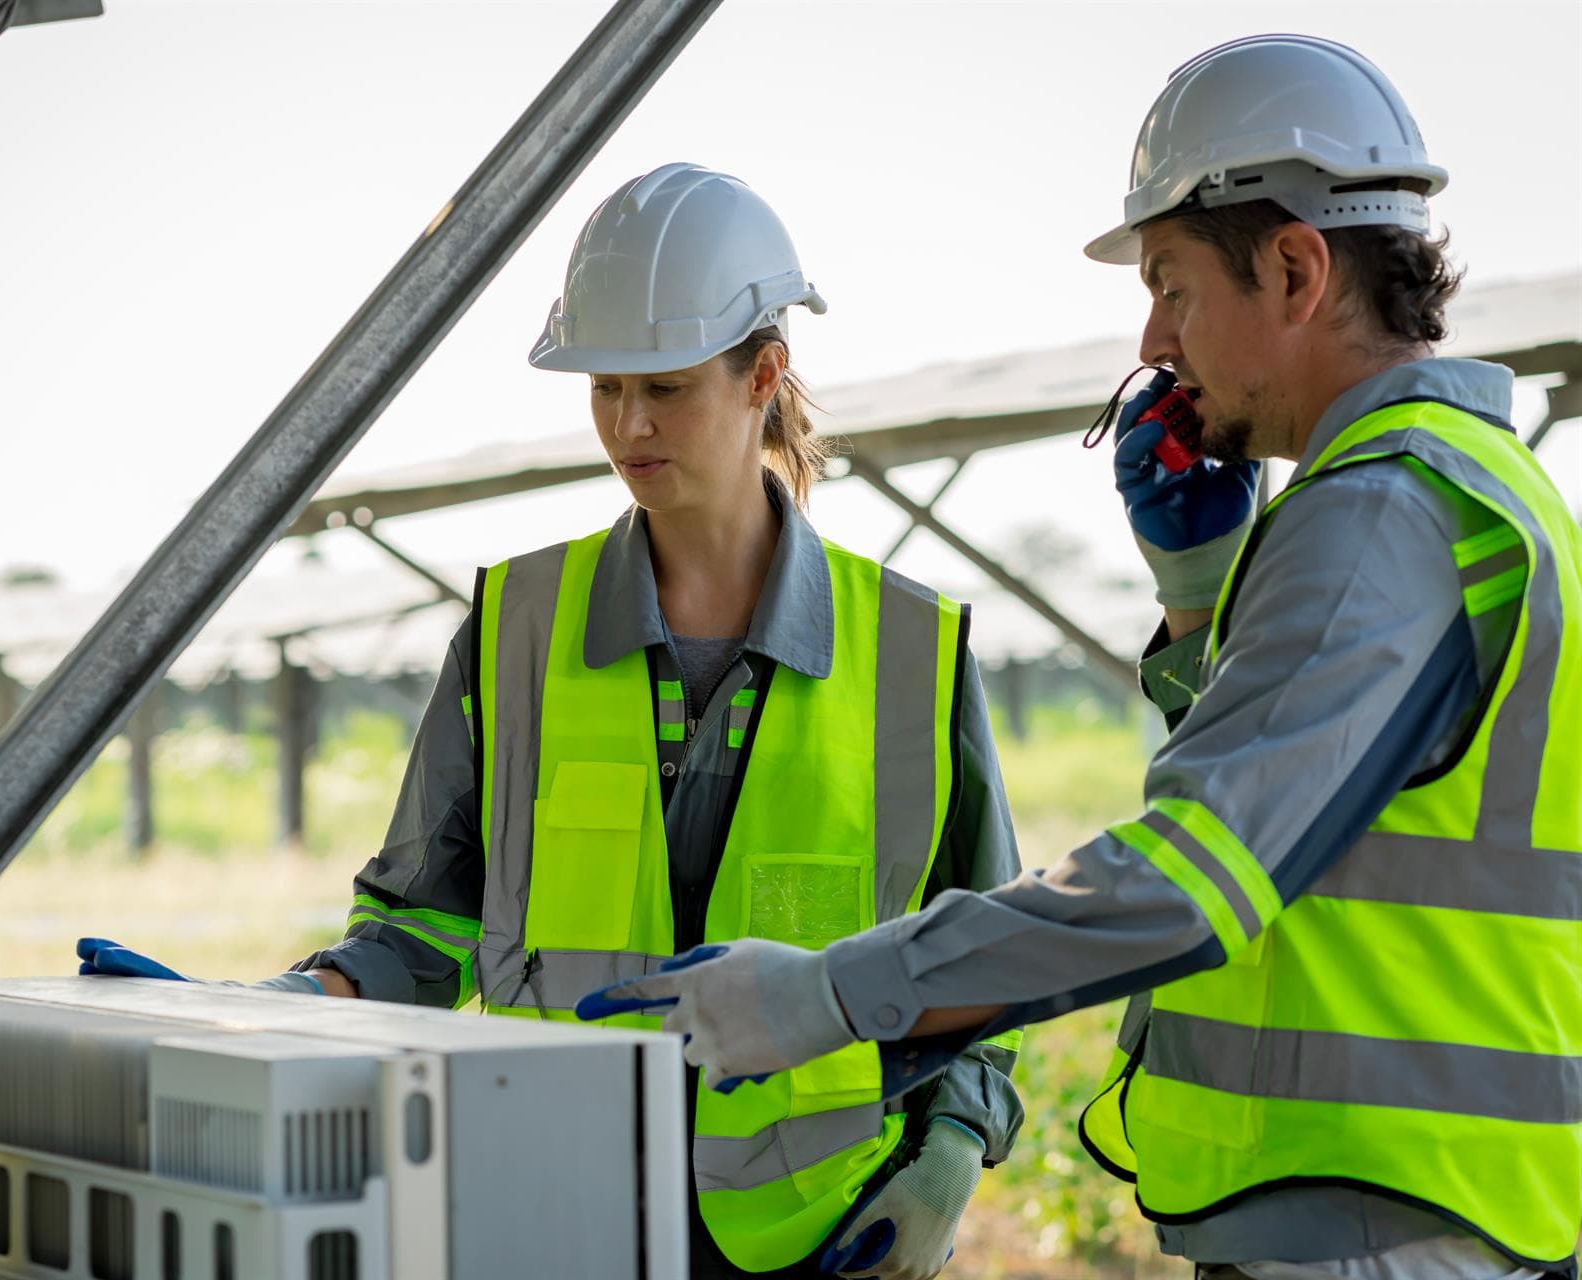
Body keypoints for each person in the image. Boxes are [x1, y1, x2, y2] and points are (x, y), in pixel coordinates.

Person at [583, 39, 1582, 1280]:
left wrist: (828, 996)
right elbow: (1332, 820)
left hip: (1379, 1217)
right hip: (1410, 1201)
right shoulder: (1472, 487)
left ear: (1293, 267)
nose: (1154, 337)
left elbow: (1191, 876)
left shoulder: (1380, 508)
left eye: (1171, 283)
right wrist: (1206, 596)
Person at [79, 163, 1026, 1279]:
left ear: (763, 373)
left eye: (665, 387)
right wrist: (273, 1008)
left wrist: (953, 1148)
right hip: (557, 1217)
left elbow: (987, 954)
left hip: (824, 1232)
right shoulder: (513, 626)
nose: (628, 424)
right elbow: (427, 929)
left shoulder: (916, 649)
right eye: (603, 386)